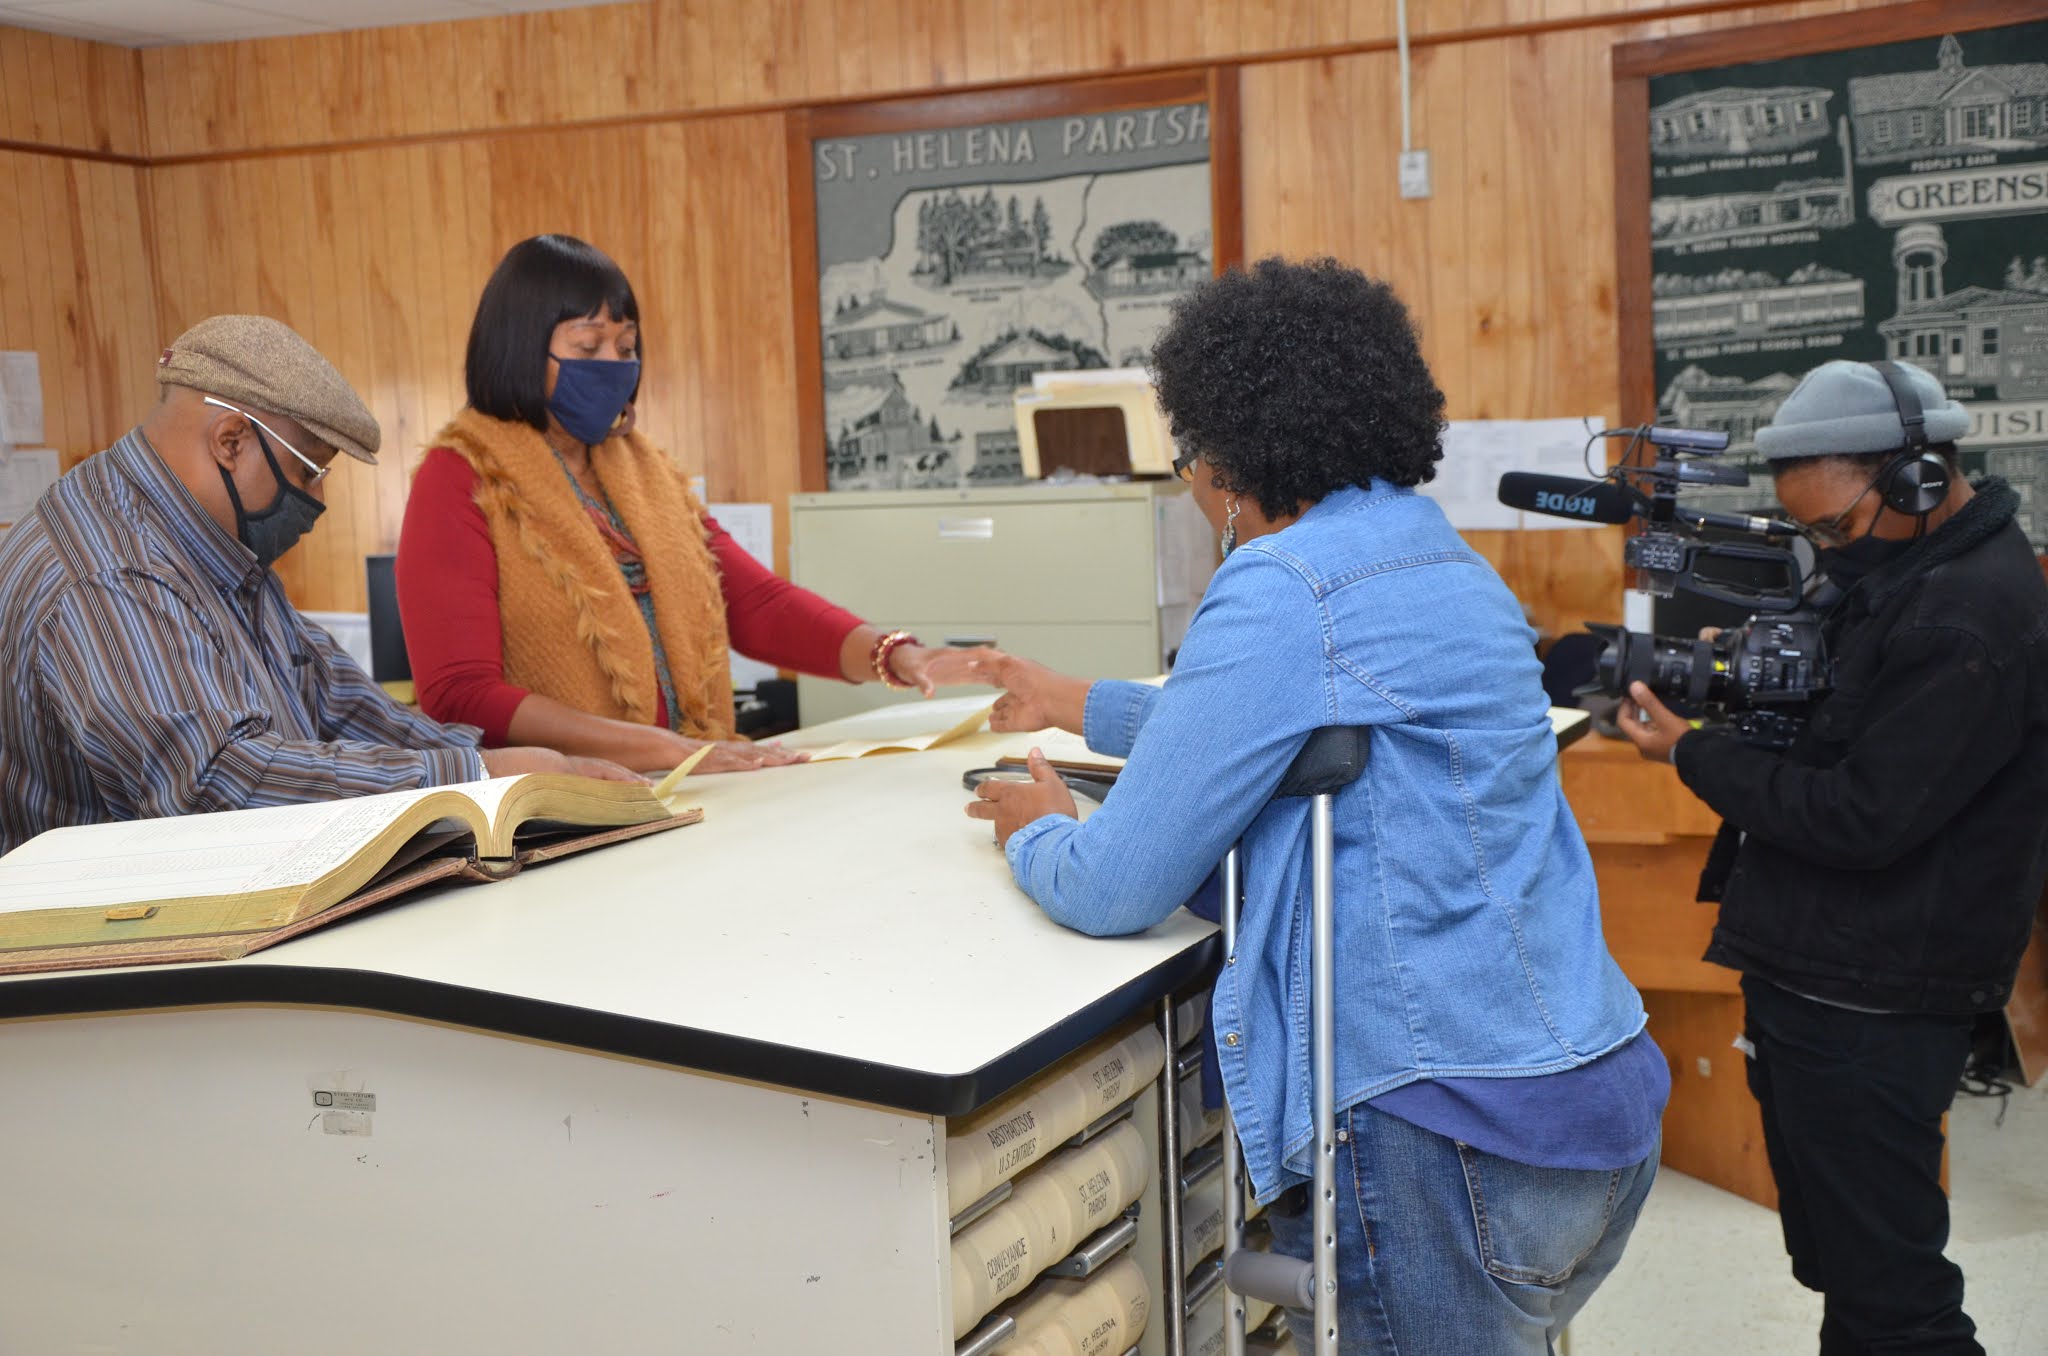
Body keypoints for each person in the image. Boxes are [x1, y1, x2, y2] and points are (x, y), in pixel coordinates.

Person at [962, 258, 1666, 1354]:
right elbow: (1286, 736)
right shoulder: (1443, 560)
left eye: (1190, 459)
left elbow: (1112, 887)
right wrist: (1078, 704)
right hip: (1592, 1100)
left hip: (1449, 1136)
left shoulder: (1280, 581)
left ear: (1228, 457)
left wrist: (1037, 827)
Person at [1617, 359, 2048, 1355]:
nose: (1826, 554)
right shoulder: (1906, 575)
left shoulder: (1963, 612)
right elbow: (1855, 715)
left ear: (1918, 482)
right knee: (1849, 1274)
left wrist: (1690, 752)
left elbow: (1859, 816)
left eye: (1836, 529)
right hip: (1830, 984)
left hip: (1871, 998)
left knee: (1895, 1303)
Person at [0, 315, 634, 857]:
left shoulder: (212, 550)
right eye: (308, 472)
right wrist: (473, 774)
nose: (318, 500)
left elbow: (339, 705)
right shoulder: (110, 574)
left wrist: (516, 769)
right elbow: (214, 784)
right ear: (231, 442)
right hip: (122, 973)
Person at [397, 235, 977, 775]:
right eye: (587, 345)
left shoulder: (644, 469)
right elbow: (461, 694)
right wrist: (668, 750)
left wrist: (894, 655)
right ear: (520, 347)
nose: (614, 365)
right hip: (566, 812)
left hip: (692, 785)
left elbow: (756, 603)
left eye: (626, 347)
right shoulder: (461, 476)